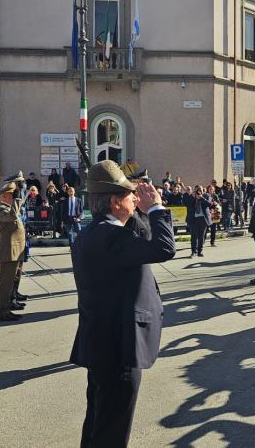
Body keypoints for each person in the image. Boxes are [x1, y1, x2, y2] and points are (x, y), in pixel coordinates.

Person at [70, 160, 176, 447]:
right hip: (119, 346)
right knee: (112, 429)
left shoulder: (98, 232)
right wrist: (155, 209)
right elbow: (164, 248)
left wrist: (142, 213)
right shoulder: (111, 237)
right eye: (130, 195)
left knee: (99, 419)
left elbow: (142, 240)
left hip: (104, 342)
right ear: (116, 202)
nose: (135, 199)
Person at [0, 182, 25, 321]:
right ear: (5, 195)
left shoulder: (9, 207)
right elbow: (12, 217)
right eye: (12, 194)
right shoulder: (2, 209)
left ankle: (7, 306)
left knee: (10, 282)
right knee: (5, 284)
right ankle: (2, 311)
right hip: (8, 252)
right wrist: (17, 199)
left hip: (14, 251)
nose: (14, 197)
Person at [186, 185, 212, 258]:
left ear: (203, 190)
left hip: (203, 219)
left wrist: (202, 198)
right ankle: (194, 252)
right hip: (194, 219)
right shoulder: (192, 196)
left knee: (201, 236)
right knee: (194, 236)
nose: (199, 191)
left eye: (200, 190)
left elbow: (209, 204)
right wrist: (194, 198)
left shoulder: (207, 196)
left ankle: (200, 251)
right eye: (197, 190)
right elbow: (187, 205)